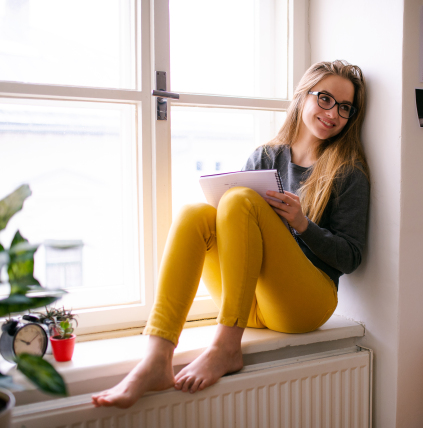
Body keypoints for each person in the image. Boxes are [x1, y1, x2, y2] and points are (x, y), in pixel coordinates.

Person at [91, 60, 370, 409]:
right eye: (325, 99)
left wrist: (302, 224)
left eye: (345, 107)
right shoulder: (266, 156)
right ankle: (156, 356)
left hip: (305, 306)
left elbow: (351, 258)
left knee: (239, 199)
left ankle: (226, 347)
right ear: (303, 96)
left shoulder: (348, 171)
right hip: (248, 304)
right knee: (195, 213)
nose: (334, 114)